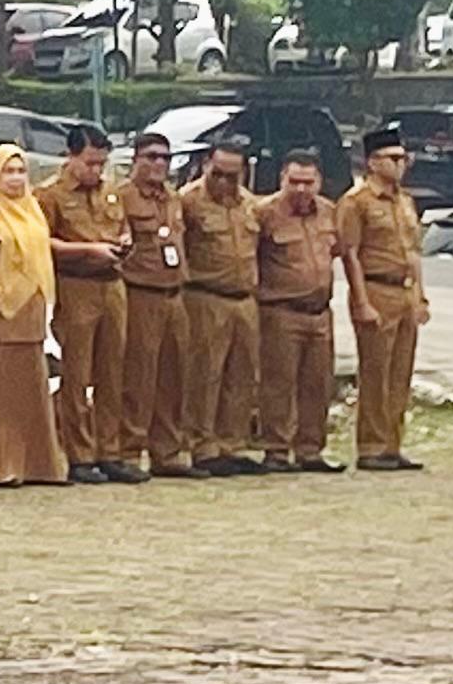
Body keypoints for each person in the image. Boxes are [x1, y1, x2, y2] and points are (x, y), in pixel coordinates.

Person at [0, 143, 70, 487]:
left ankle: (37, 464)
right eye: (7, 172)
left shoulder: (32, 210)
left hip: (32, 306)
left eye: (20, 171)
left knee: (31, 385)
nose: (15, 178)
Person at [335, 127, 431, 472]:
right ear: (373, 162)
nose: (400, 165)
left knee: (400, 373)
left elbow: (414, 252)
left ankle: (393, 443)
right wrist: (361, 301)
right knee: (375, 372)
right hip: (375, 288)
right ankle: (371, 446)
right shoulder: (356, 201)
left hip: (403, 289)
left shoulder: (405, 201)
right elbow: (350, 254)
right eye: (392, 159)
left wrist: (420, 296)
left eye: (404, 159)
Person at [43, 123, 133, 483]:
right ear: (71, 156)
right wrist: (87, 250)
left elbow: (122, 227)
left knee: (112, 372)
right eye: (90, 163)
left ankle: (110, 451)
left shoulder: (110, 192)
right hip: (76, 285)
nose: (96, 171)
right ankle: (79, 455)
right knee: (77, 373)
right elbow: (43, 243)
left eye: (101, 163)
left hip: (112, 285)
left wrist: (123, 241)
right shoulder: (50, 194)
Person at [176, 137, 266, 475]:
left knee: (241, 376)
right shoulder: (188, 202)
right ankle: (202, 444)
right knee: (205, 374)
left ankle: (232, 443)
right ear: (205, 166)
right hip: (205, 296)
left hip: (244, 299)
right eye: (218, 173)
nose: (224, 182)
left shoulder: (251, 205)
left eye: (232, 175)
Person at [253, 152, 343, 472]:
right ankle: (276, 450)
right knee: (278, 384)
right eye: (294, 182)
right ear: (282, 180)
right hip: (280, 310)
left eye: (308, 182)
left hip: (319, 313)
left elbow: (339, 253)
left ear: (319, 182)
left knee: (318, 384)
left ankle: (310, 450)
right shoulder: (264, 214)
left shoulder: (329, 212)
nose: (302, 189)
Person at [117, 131, 188, 480]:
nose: (159, 163)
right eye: (152, 157)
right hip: (140, 292)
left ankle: (167, 451)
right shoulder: (122, 197)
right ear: (136, 159)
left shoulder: (174, 199)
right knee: (138, 375)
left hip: (175, 293)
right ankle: (130, 450)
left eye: (165, 158)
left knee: (173, 376)